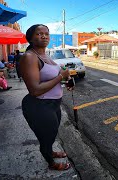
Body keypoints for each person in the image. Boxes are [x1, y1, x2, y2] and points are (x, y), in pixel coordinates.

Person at [20, 24, 74, 171]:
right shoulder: (29, 57)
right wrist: (60, 77)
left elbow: (51, 78)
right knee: (46, 138)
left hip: (54, 105)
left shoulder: (45, 55)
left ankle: (50, 151)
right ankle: (51, 163)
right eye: (39, 34)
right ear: (30, 38)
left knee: (52, 133)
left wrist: (66, 80)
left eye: (46, 34)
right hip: (39, 106)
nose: (44, 36)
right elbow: (35, 90)